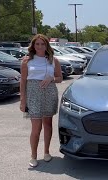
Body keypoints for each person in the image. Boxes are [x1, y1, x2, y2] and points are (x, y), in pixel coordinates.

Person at [19, 34, 62, 167]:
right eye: (37, 44)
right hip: (33, 94)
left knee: (48, 125)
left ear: (46, 45)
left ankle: (47, 152)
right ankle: (33, 155)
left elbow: (60, 77)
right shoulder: (27, 61)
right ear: (33, 46)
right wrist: (22, 100)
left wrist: (51, 79)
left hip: (49, 93)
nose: (40, 46)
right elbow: (23, 81)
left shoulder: (53, 60)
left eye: (42, 44)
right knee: (36, 128)